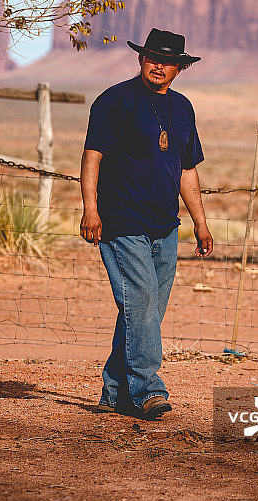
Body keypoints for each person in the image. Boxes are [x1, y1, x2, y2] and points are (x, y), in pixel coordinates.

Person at [80, 27, 213, 420]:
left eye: (168, 61)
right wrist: (90, 209)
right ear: (141, 59)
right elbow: (92, 157)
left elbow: (187, 170)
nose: (159, 65)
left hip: (165, 226)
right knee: (138, 306)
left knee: (146, 312)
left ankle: (114, 391)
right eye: (153, 57)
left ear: (179, 68)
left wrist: (199, 225)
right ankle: (147, 391)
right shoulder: (115, 100)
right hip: (122, 222)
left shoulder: (183, 107)